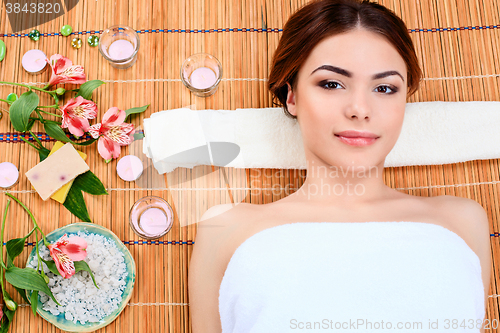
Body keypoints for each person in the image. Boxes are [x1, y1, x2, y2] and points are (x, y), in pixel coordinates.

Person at [188, 0, 491, 332]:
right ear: (291, 97)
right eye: (331, 84)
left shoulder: (462, 221)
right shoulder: (226, 230)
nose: (360, 109)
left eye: (385, 88)